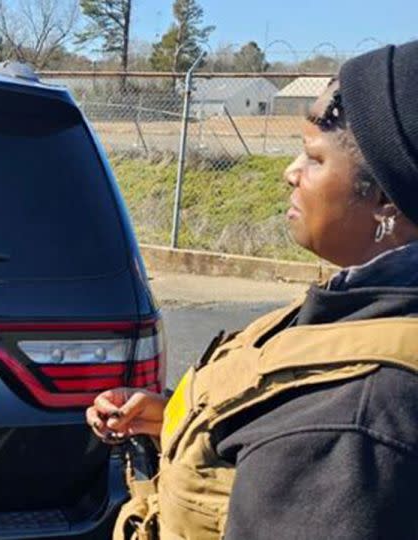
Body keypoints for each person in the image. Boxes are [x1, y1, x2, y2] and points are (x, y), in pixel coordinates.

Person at [88, 40, 418, 540]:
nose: (291, 173)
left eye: (312, 157)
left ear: (386, 199)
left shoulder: (354, 426)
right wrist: (183, 421)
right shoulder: (360, 306)